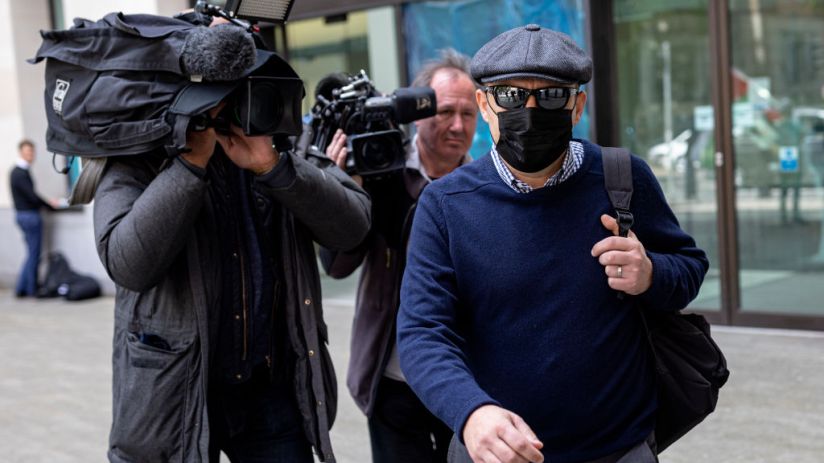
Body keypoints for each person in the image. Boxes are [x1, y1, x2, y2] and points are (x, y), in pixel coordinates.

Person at [397, 24, 709, 463]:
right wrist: (471, 412)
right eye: (509, 96)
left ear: (577, 106)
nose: (529, 111)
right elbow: (422, 333)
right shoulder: (446, 204)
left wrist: (651, 273)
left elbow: (689, 267)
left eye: (550, 96)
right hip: (498, 452)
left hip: (620, 448)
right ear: (485, 105)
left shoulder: (622, 177)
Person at [92, 95, 370, 460]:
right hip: (172, 393)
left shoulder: (277, 134)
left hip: (270, 390)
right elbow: (128, 264)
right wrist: (189, 163)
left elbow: (353, 228)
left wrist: (273, 166)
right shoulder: (138, 145)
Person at [321, 48, 478, 463]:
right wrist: (342, 193)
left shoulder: (483, 187)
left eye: (468, 114)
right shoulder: (381, 171)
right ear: (418, 112)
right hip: (392, 380)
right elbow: (337, 265)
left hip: (465, 379)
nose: (457, 125)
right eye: (445, 111)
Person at [9, 139, 57, 297]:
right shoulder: (20, 173)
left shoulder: (18, 171)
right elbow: (32, 196)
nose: (31, 154)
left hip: (23, 215)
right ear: (21, 152)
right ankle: (32, 289)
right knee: (34, 254)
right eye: (28, 151)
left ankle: (21, 288)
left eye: (32, 151)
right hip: (29, 216)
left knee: (31, 253)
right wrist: (49, 205)